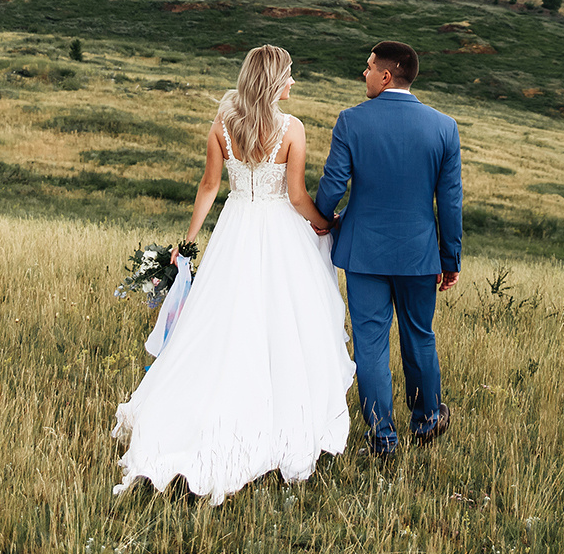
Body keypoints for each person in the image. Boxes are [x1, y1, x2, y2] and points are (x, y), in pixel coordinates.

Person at [112, 45, 355, 504]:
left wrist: (187, 243)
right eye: (289, 75)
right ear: (274, 81)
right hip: (280, 232)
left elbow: (208, 187)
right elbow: (299, 196)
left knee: (222, 324)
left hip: (236, 229)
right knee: (286, 326)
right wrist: (326, 224)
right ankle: (278, 420)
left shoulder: (223, 125)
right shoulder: (292, 129)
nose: (293, 83)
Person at [312, 39, 462, 455]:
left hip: (363, 254)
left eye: (368, 67)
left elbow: (332, 185)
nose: (364, 73)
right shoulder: (444, 127)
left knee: (371, 344)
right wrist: (449, 258)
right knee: (419, 336)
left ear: (386, 74)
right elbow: (449, 202)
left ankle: (382, 438)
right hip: (419, 254)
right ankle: (428, 419)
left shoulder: (351, 121)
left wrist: (324, 220)